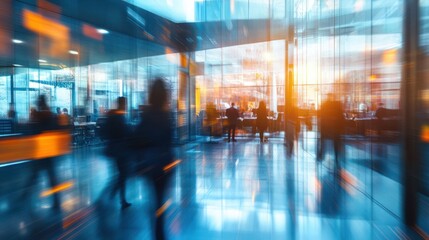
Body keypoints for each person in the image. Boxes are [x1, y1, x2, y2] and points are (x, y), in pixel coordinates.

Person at [134, 78, 174, 240]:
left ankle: (157, 231)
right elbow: (169, 139)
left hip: (150, 164)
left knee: (153, 199)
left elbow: (138, 138)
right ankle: (160, 231)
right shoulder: (166, 115)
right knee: (160, 199)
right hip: (165, 164)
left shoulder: (147, 114)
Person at [23, 95, 61, 209]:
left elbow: (33, 132)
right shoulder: (51, 115)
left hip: (40, 150)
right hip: (49, 149)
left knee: (35, 175)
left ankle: (24, 197)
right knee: (50, 176)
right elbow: (56, 130)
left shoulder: (38, 116)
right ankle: (56, 200)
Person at [104, 97, 132, 209]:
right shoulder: (119, 117)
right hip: (121, 150)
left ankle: (119, 197)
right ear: (123, 104)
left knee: (120, 174)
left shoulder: (112, 116)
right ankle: (114, 196)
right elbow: (125, 132)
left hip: (114, 149)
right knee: (123, 174)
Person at [318, 93, 345, 167]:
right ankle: (336, 157)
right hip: (335, 128)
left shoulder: (325, 105)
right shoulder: (336, 105)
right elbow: (341, 116)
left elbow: (321, 116)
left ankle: (321, 155)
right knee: (335, 143)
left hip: (328, 127)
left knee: (323, 141)